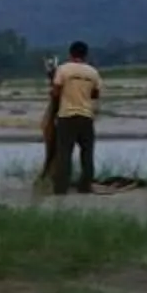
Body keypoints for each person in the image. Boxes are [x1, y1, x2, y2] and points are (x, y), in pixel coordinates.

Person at [45, 41, 101, 194]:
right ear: (86, 55)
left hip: (67, 116)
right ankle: (85, 186)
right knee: (87, 153)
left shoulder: (63, 69)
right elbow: (95, 94)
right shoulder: (93, 72)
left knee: (64, 153)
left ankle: (61, 187)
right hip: (86, 116)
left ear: (70, 54)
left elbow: (56, 92)